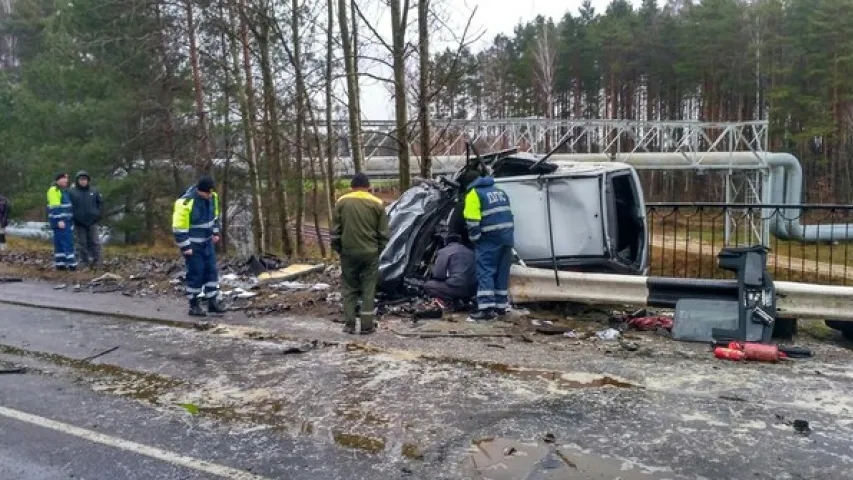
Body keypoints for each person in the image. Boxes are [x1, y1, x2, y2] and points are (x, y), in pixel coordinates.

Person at [331, 173, 389, 335]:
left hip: (348, 252)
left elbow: (335, 231)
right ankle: (366, 326)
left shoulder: (342, 202)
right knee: (368, 288)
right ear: (368, 186)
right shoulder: (377, 203)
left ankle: (349, 325)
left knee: (349, 288)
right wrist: (379, 250)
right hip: (370, 252)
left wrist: (339, 249)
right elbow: (384, 233)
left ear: (352, 186)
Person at [463, 168, 515, 321]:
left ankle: (485, 309)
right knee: (501, 272)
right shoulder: (499, 191)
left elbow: (472, 220)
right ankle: (500, 307)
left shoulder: (474, 194)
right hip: (507, 238)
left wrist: (475, 238)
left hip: (489, 239)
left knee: (485, 271)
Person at [172, 176, 225, 317]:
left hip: (207, 242)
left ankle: (212, 302)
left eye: (210, 193)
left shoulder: (212, 197)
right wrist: (185, 247)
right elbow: (179, 228)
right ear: (200, 191)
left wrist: (215, 232)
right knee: (196, 273)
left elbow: (214, 217)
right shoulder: (186, 202)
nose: (209, 196)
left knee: (211, 272)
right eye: (207, 193)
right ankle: (193, 305)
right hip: (193, 245)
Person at [423, 234, 476, 307]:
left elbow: (438, 274)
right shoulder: (471, 252)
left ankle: (452, 301)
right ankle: (464, 300)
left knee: (428, 285)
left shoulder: (444, 252)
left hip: (456, 288)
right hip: (472, 289)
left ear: (446, 242)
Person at [68, 170, 104, 269]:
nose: (83, 181)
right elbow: (69, 206)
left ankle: (97, 261)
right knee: (81, 243)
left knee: (95, 242)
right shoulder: (72, 192)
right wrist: (73, 217)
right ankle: (83, 261)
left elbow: (100, 204)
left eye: (85, 180)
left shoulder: (94, 191)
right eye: (81, 180)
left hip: (92, 221)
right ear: (77, 181)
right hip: (78, 221)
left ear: (88, 181)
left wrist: (97, 215)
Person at [47, 173, 77, 271]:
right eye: (64, 178)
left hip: (65, 221)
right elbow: (55, 207)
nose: (66, 180)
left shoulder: (63, 191)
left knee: (60, 243)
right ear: (58, 180)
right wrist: (59, 220)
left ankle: (61, 264)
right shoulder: (54, 190)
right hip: (61, 221)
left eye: (67, 178)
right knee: (67, 242)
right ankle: (72, 265)